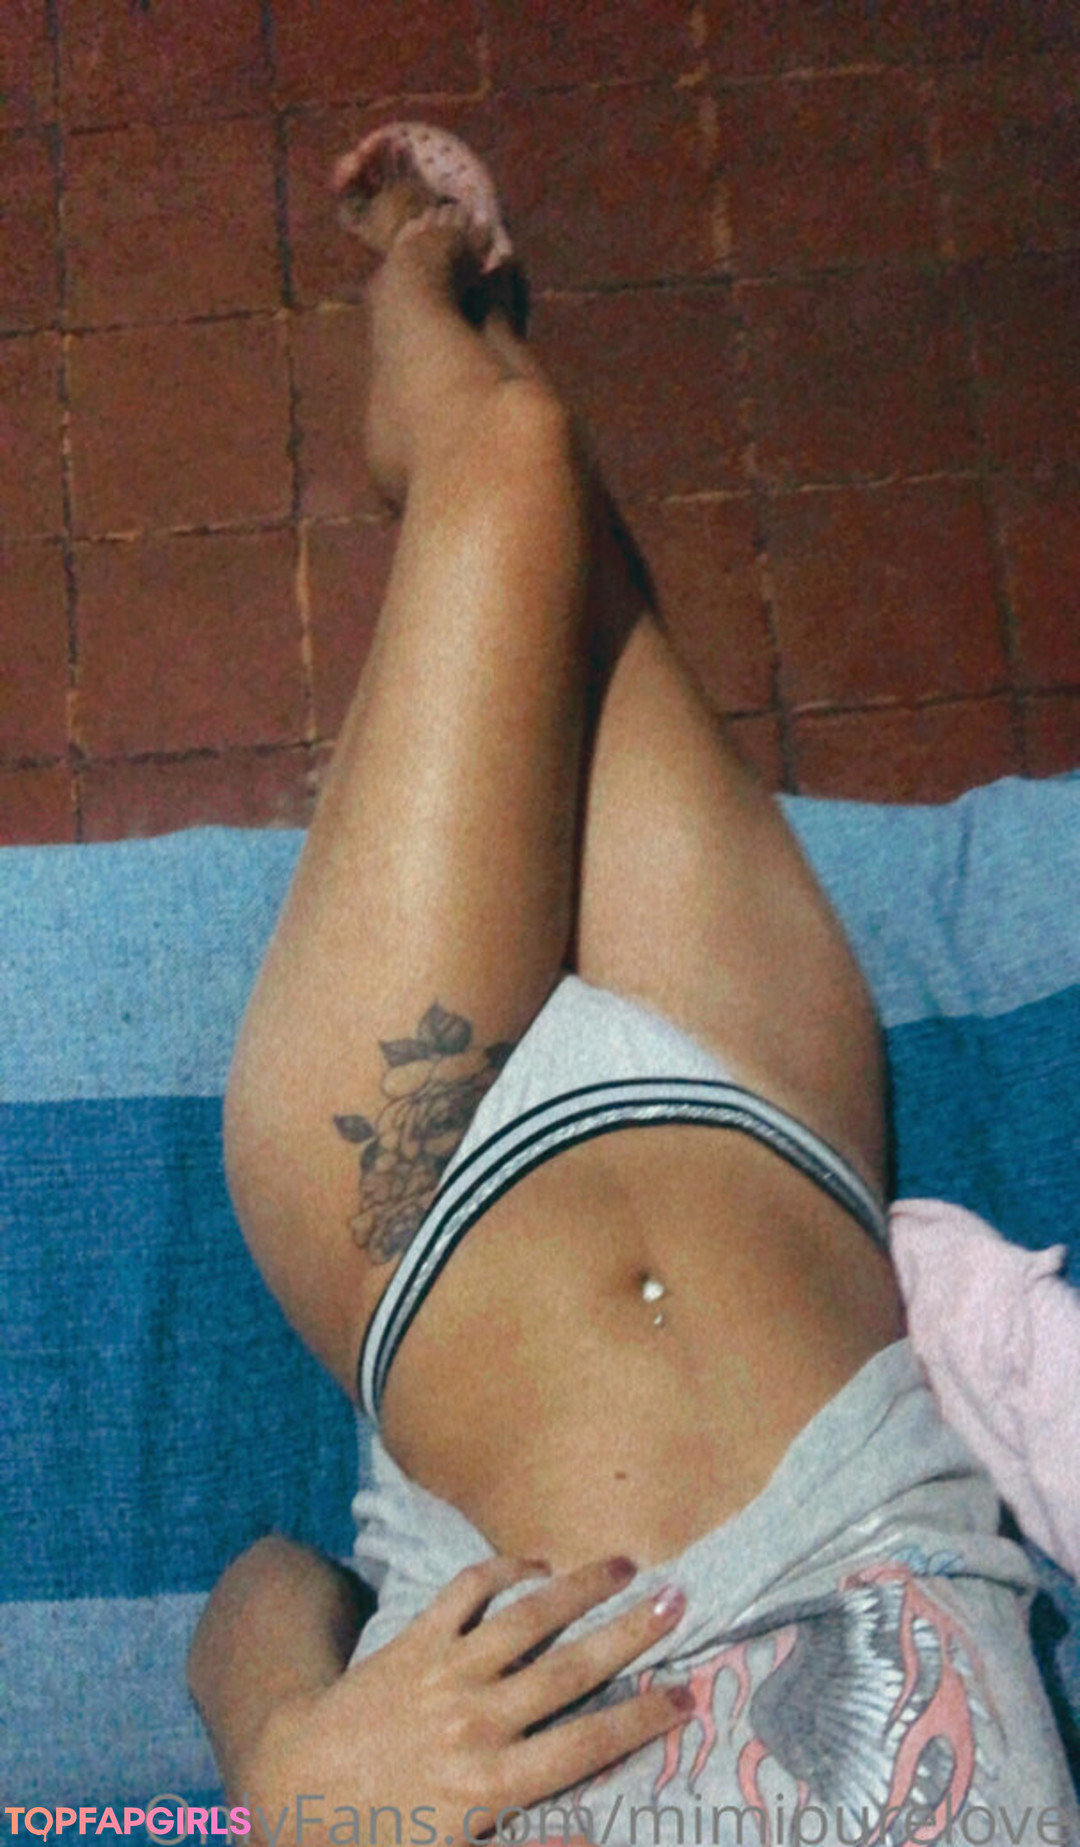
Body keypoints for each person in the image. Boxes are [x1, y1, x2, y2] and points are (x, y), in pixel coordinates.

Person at [188, 131, 1077, 1847]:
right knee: (566, 533)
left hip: (412, 1211)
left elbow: (261, 1588)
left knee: (514, 470)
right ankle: (477, 351)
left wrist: (285, 1783)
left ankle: (423, 296)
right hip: (771, 1127)